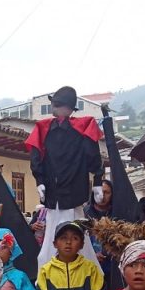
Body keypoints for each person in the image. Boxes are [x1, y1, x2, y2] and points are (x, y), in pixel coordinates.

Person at [26, 86, 102, 268]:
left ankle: (79, 270)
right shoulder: (44, 129)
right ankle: (50, 271)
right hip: (53, 192)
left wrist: (98, 181)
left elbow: (93, 155)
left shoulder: (82, 128)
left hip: (73, 190)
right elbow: (36, 156)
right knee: (53, 230)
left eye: (56, 104)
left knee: (75, 226)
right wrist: (40, 181)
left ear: (65, 107)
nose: (53, 108)